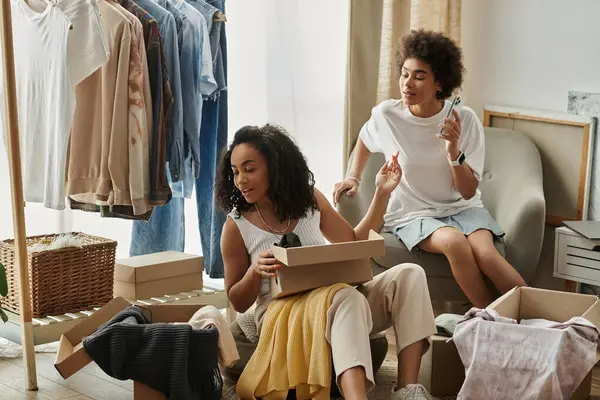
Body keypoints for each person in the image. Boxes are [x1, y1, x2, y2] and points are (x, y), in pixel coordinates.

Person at [216, 124, 438, 400]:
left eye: (249, 169)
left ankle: (407, 390)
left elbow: (354, 245)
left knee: (410, 273)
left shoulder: (308, 199)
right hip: (281, 314)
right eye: (235, 172)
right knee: (347, 297)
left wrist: (382, 193)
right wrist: (254, 271)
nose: (240, 180)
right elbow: (237, 301)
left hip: (335, 301)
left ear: (275, 167)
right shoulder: (235, 226)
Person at [333, 29, 527, 309]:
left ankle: (541, 317)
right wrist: (353, 177)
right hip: (412, 214)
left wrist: (453, 151)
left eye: (419, 76)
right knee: (454, 243)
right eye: (404, 73)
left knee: (487, 255)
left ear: (439, 83)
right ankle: (491, 320)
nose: (407, 83)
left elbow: (468, 190)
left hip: (464, 208)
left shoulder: (465, 120)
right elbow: (364, 138)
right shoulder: (388, 115)